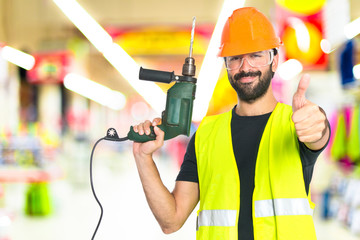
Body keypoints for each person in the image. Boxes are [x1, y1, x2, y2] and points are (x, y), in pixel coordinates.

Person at [132, 7, 330, 240]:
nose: (245, 67)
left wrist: (317, 126)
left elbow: (318, 134)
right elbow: (170, 221)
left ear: (274, 61)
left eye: (256, 55)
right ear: (226, 65)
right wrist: (143, 158)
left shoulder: (296, 123)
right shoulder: (206, 134)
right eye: (235, 58)